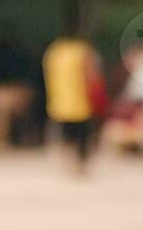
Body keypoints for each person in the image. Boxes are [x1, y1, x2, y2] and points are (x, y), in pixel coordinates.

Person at [43, 11, 101, 174]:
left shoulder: (54, 50)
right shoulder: (82, 50)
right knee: (82, 136)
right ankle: (79, 165)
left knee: (65, 136)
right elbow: (92, 75)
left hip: (59, 102)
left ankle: (68, 165)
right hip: (81, 103)